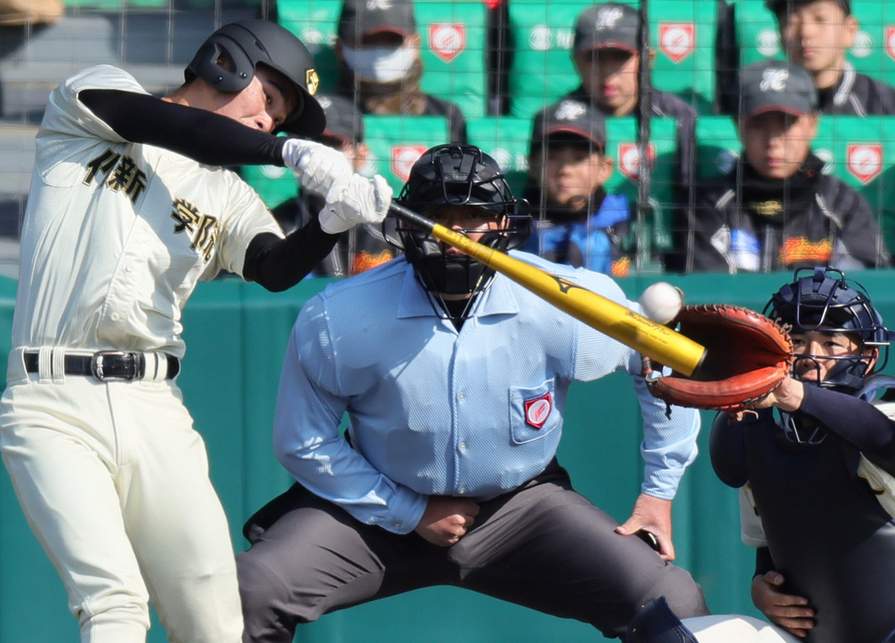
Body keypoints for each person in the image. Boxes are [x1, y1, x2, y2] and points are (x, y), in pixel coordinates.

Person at [0, 19, 391, 643]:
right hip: (52, 401)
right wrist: (284, 153)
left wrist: (333, 223)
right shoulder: (95, 97)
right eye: (270, 98)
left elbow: (274, 268)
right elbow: (183, 130)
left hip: (155, 407)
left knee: (215, 620)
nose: (271, 124)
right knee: (115, 605)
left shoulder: (230, 196)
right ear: (224, 62)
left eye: (282, 120)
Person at [236, 144, 710, 642]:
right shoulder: (341, 314)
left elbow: (658, 361)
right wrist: (408, 511)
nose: (457, 234)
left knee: (672, 601)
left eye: (475, 217)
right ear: (407, 223)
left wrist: (659, 489)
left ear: (503, 223)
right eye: (439, 216)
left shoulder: (564, 298)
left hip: (522, 509)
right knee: (252, 590)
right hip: (374, 507)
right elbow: (302, 442)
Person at [707, 266, 895, 642]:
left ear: (868, 359)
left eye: (832, 342)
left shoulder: (885, 415)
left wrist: (792, 394)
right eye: (797, 341)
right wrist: (763, 586)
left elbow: (880, 438)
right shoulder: (758, 438)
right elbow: (770, 544)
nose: (812, 356)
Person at [681, 58, 889, 273]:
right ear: (738, 126)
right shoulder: (708, 204)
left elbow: (861, 294)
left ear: (812, 124)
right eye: (758, 125)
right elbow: (708, 297)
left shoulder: (842, 204)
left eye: (787, 124)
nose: (773, 141)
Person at [564, 2, 697, 194]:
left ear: (648, 59)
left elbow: (689, 196)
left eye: (620, 57)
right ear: (576, 62)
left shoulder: (678, 117)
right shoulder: (558, 121)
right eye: (595, 58)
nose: (608, 73)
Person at [273, 93, 398, 277]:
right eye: (306, 143)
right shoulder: (272, 227)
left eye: (332, 143)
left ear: (361, 155)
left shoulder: (395, 229)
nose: (318, 154)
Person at [523, 98, 635, 276]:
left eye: (579, 158)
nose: (565, 170)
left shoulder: (627, 222)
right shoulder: (510, 224)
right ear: (531, 165)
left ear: (604, 168)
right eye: (552, 157)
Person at [334, 0, 467, 143]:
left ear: (415, 45)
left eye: (393, 40)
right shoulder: (326, 117)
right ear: (340, 48)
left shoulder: (447, 116)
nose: (380, 52)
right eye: (366, 41)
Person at [767, 0, 895, 116]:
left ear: (849, 30)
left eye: (820, 19)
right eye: (791, 22)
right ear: (779, 34)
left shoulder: (884, 103)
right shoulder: (761, 100)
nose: (805, 32)